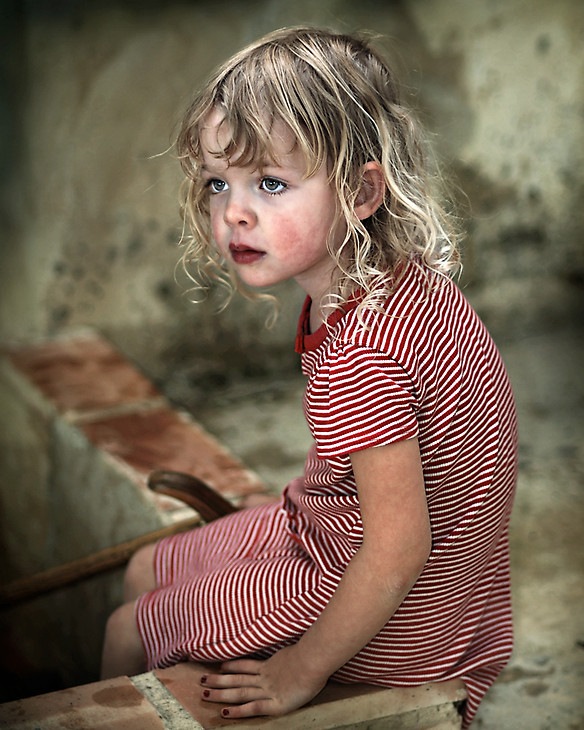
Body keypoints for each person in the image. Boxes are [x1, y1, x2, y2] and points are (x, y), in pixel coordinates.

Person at [101, 26, 517, 728]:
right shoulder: (402, 286)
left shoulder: (362, 354)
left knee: (127, 627)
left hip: (392, 615)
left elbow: (397, 550)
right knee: (145, 570)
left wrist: (300, 668)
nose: (233, 211)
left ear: (361, 191)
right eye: (218, 182)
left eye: (270, 183)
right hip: (421, 576)